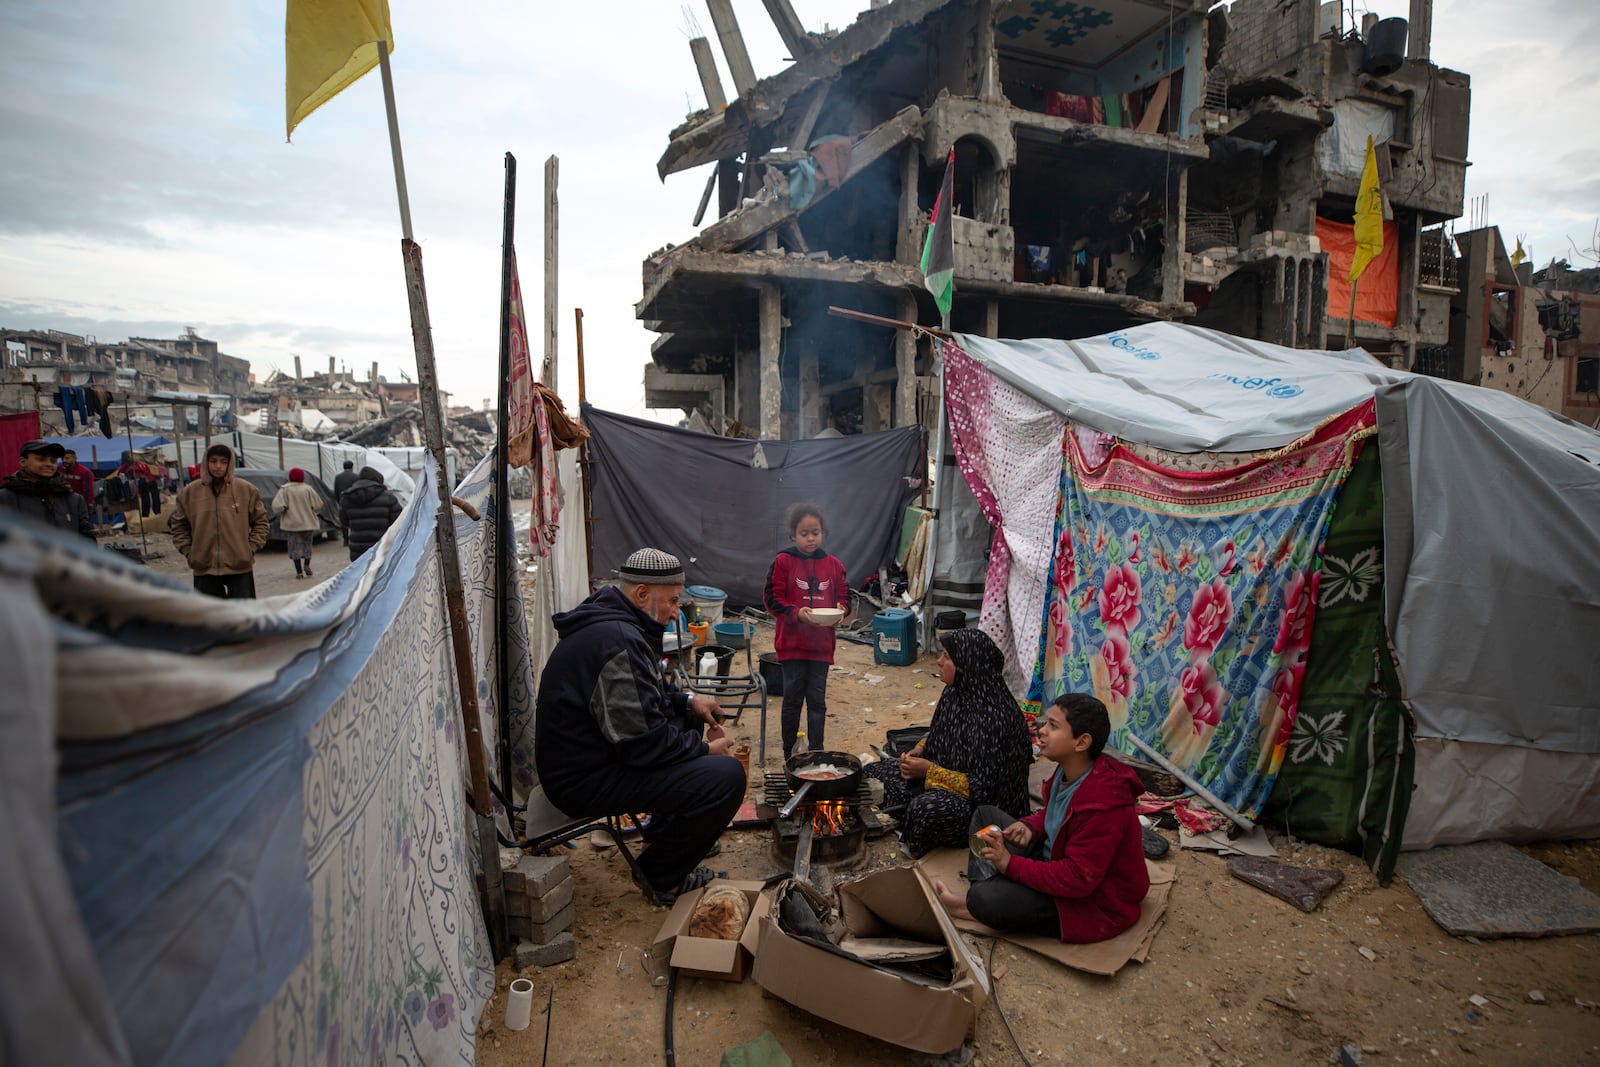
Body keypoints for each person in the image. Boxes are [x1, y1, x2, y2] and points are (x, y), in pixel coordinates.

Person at [535, 548, 744, 905]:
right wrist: (705, 751)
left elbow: (643, 697)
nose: (676, 612)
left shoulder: (618, 622)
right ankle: (662, 876)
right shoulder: (616, 641)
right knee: (725, 777)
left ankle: (661, 838)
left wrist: (688, 701)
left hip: (595, 755)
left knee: (689, 717)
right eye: (673, 602)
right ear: (642, 594)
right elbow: (643, 743)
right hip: (581, 780)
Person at [935, 693, 1150, 944]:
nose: (1042, 730)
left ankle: (976, 901)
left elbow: (1078, 880)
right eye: (1046, 722)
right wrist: (1030, 827)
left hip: (1094, 901)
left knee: (987, 898)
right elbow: (1055, 813)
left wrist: (1009, 865)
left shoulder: (1102, 805)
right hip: (1056, 856)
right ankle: (986, 894)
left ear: (1081, 742)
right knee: (985, 815)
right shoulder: (1069, 769)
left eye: (1053, 726)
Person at [863, 628, 1033, 857]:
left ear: (968, 665)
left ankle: (914, 832)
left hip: (985, 805)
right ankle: (908, 817)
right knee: (873, 772)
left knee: (927, 809)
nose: (939, 662)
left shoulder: (994, 719)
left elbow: (983, 788)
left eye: (947, 657)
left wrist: (929, 771)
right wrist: (920, 748)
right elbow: (937, 731)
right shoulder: (954, 693)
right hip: (943, 776)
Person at [762, 502, 848, 758]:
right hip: (792, 646)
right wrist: (795, 613)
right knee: (792, 700)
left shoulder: (834, 565)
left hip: (821, 647)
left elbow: (844, 596)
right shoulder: (783, 561)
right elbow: (771, 598)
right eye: (804, 533)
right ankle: (790, 752)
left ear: (823, 533)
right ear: (792, 535)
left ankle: (817, 751)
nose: (811, 538)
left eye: (815, 532)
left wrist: (842, 609)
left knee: (817, 702)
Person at [169, 443, 269, 599]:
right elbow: (179, 526)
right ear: (206, 462)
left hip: (239, 567)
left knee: (243, 617)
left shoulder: (246, 490)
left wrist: (249, 549)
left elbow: (261, 523)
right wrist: (190, 552)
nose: (218, 466)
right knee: (211, 619)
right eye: (213, 461)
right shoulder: (190, 493)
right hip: (204, 567)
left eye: (223, 462)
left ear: (229, 464)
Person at [0, 440, 95, 540]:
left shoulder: (74, 500)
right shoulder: (5, 498)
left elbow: (88, 540)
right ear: (23, 462)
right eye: (41, 459)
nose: (49, 464)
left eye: (53, 461)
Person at [270, 468, 323, 580]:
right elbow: (318, 504)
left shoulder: (284, 490)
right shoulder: (308, 489)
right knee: (307, 545)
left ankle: (299, 572)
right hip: (308, 523)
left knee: (295, 548)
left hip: (292, 525)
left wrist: (285, 509)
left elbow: (277, 507)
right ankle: (307, 565)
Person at [340, 466, 402, 561]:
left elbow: (344, 522)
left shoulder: (347, 498)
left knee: (361, 574)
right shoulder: (389, 498)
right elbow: (398, 523)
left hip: (358, 550)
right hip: (382, 548)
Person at [117, 451, 161, 518]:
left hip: (148, 481)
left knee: (154, 497)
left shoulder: (140, 463)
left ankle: (155, 512)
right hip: (142, 482)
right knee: (145, 498)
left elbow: (144, 472)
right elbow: (120, 473)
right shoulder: (127, 466)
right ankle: (146, 514)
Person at [332, 460, 358, 545]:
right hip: (354, 502)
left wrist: (338, 500)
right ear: (352, 467)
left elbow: (336, 491)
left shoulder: (338, 477)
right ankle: (354, 537)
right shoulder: (355, 477)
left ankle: (345, 540)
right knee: (354, 520)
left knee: (344, 521)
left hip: (342, 502)